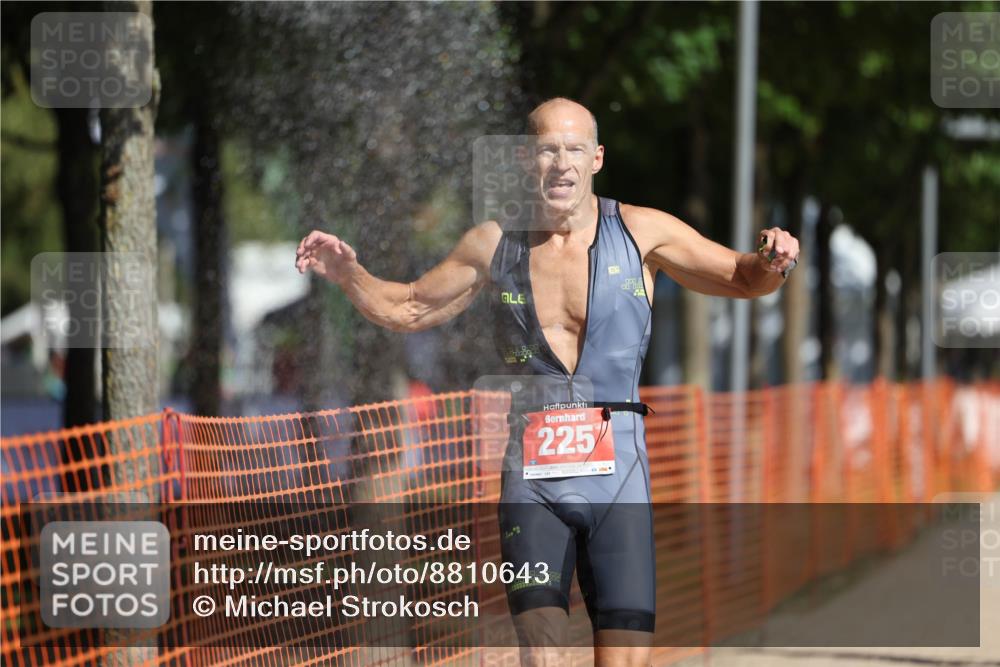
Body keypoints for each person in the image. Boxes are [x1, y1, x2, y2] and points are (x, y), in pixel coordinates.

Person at [296, 97, 799, 667]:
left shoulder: (642, 232)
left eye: (574, 149)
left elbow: (741, 278)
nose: (561, 163)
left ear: (597, 159)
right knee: (542, 655)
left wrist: (773, 261)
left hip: (620, 485)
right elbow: (408, 307)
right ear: (524, 159)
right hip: (532, 484)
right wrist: (347, 272)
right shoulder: (493, 244)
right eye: (547, 149)